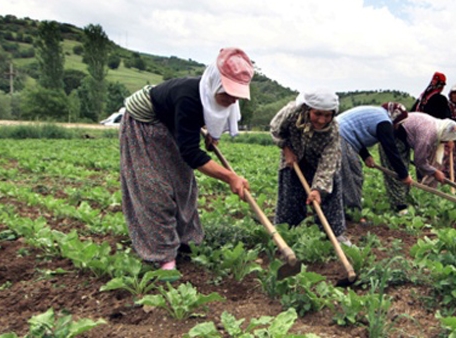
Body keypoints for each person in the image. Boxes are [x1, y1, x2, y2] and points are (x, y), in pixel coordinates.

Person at [120, 47, 253, 271]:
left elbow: (210, 117)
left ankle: (186, 241)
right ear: (215, 84)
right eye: (227, 94)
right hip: (144, 123)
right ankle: (162, 255)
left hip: (170, 122)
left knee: (183, 184)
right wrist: (230, 176)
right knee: (155, 188)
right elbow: (191, 153)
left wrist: (213, 134)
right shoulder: (189, 97)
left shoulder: (222, 98)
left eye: (236, 95)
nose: (231, 100)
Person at [269, 89, 351, 246]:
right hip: (293, 154)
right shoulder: (291, 113)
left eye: (327, 115)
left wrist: (317, 189)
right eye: (318, 114)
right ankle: (285, 232)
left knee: (329, 195)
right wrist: (286, 150)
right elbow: (275, 129)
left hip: (319, 161)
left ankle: (334, 234)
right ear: (308, 109)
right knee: (290, 193)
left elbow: (328, 163)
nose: (322, 120)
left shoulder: (333, 130)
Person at [336, 102, 414, 217]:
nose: (397, 127)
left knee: (340, 174)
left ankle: (341, 205)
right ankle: (352, 211)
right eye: (398, 123)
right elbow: (391, 151)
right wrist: (404, 175)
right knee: (353, 175)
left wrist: (365, 156)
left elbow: (356, 130)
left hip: (340, 133)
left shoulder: (377, 115)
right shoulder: (384, 122)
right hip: (340, 137)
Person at [381, 112, 456, 211]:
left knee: (403, 170)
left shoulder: (437, 126)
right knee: (397, 173)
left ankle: (403, 202)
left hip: (403, 138)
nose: (446, 143)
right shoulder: (428, 135)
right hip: (392, 138)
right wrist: (435, 172)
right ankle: (398, 207)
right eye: (446, 141)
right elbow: (420, 162)